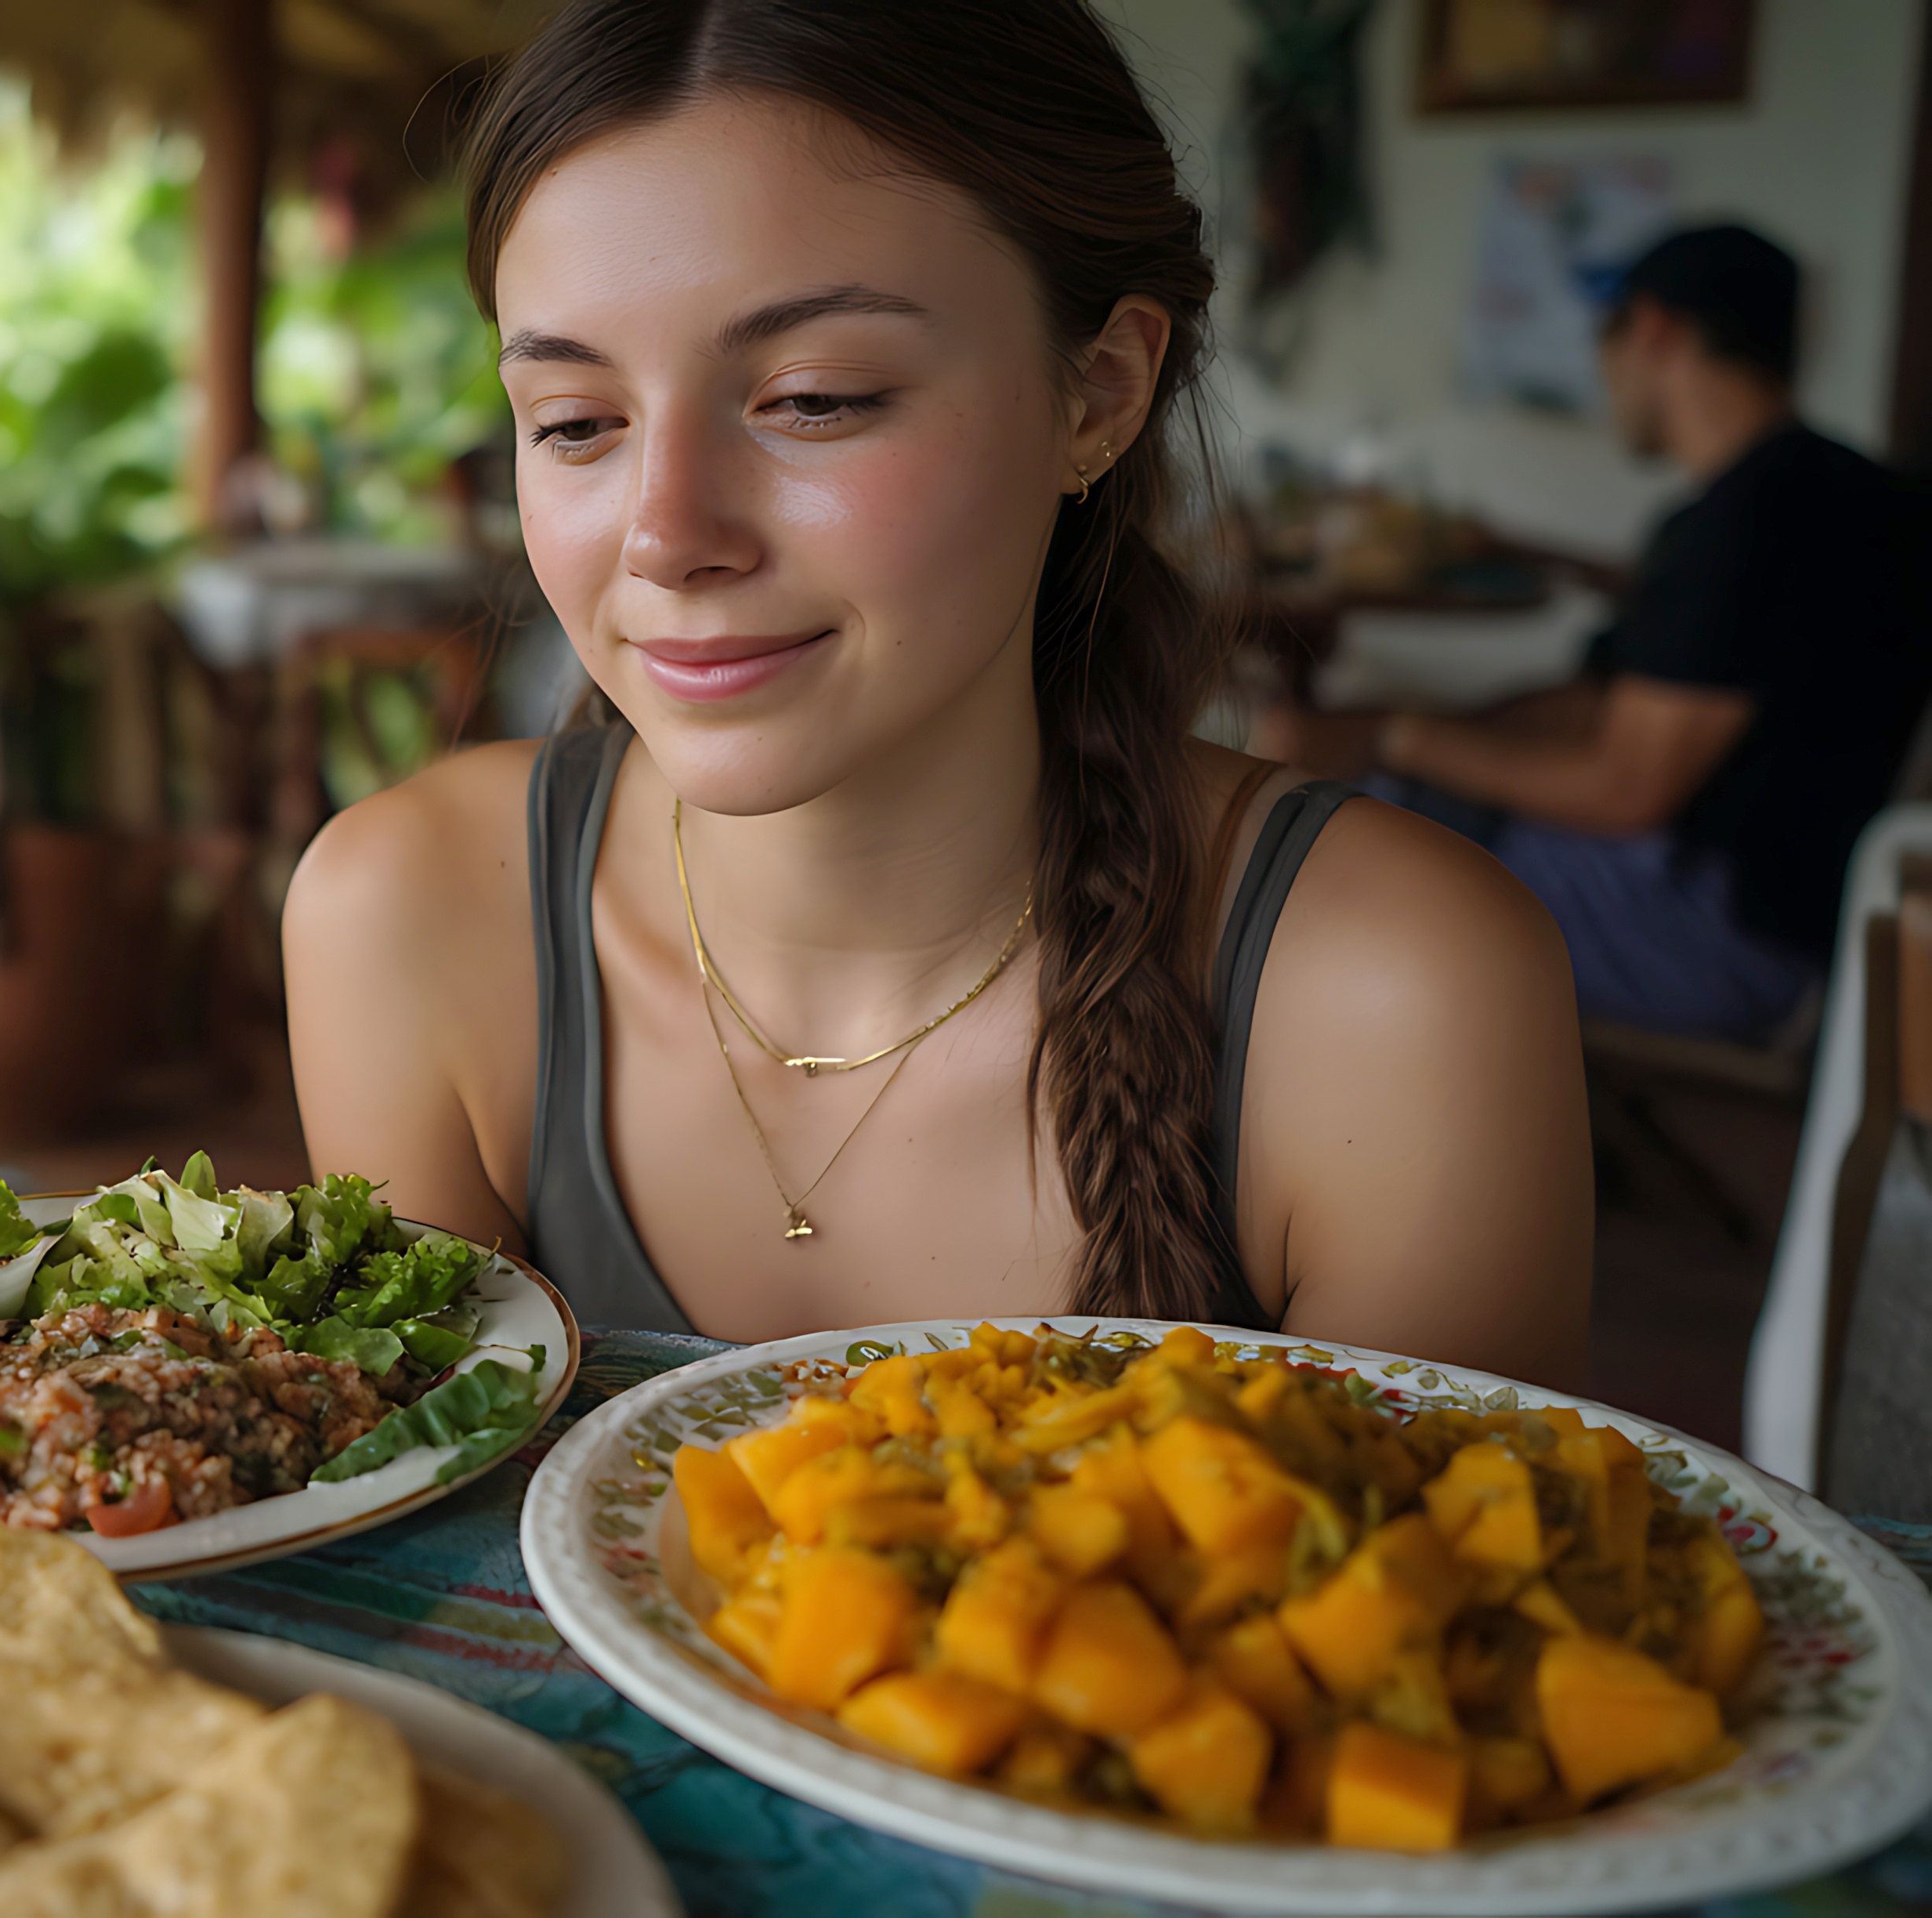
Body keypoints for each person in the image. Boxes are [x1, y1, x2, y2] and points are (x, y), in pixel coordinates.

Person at [281, 0, 1590, 1384]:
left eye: (814, 398)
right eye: (574, 423)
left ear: (1094, 394)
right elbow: (421, 1559)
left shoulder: (1393, 998)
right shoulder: (410, 919)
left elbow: (1440, 1588)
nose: (664, 534)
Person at [1320, 227, 1932, 1042]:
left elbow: (1625, 789)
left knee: (1335, 846)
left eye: (1603, 344)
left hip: (1723, 939)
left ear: (1652, 330)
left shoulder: (1748, 521)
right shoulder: (1834, 493)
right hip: (1798, 915)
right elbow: (1615, 686)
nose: (1605, 378)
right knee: (1389, 806)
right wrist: (1403, 729)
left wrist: (1388, 737)